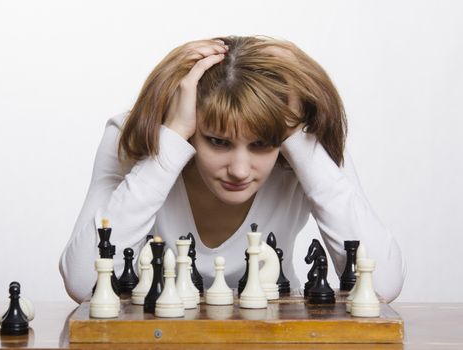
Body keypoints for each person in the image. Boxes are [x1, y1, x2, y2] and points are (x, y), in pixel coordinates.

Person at [59, 36, 406, 304]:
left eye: (261, 144)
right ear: (191, 126)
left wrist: (297, 136)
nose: (240, 170)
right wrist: (170, 143)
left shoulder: (305, 144)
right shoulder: (132, 139)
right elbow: (81, 282)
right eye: (218, 142)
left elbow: (384, 284)